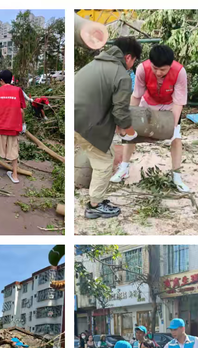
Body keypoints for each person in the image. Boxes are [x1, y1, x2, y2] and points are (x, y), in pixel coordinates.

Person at [75, 37, 141, 220]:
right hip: (87, 124)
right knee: (104, 162)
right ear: (128, 57)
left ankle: (95, 197)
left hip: (73, 119)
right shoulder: (121, 74)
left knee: (97, 152)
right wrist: (130, 132)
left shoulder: (92, 65)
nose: (132, 65)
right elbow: (121, 111)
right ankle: (94, 205)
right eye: (134, 61)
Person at [111, 45, 190, 192]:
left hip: (169, 106)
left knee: (176, 138)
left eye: (163, 70)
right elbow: (136, 95)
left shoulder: (180, 72)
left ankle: (177, 175)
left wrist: (172, 127)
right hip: (147, 104)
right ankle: (124, 169)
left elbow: (179, 102)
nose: (158, 73)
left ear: (170, 65)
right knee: (130, 135)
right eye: (155, 68)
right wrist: (129, 116)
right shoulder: (142, 68)